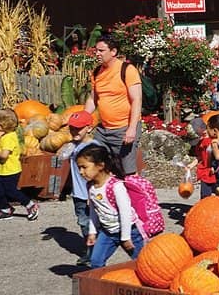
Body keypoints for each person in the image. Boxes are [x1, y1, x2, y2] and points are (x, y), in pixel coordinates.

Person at [76, 145, 144, 268]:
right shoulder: (90, 186)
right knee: (96, 262)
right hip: (107, 233)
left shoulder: (116, 186)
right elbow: (93, 210)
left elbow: (125, 213)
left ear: (100, 165)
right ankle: (102, 285)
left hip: (129, 231)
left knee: (143, 263)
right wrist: (92, 231)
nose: (81, 172)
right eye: (79, 168)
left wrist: (125, 237)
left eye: (84, 167)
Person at [85, 35, 142, 175]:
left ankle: (134, 195)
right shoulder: (97, 72)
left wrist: (132, 129)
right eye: (96, 50)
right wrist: (84, 119)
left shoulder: (127, 70)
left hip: (123, 129)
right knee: (96, 164)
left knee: (128, 172)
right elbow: (93, 99)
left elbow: (137, 100)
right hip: (103, 130)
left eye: (101, 50)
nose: (97, 54)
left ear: (113, 52)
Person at [0, 109, 39, 221]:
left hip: (11, 170)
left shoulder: (9, 138)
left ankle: (30, 205)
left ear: (4, 125)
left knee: (11, 191)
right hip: (3, 169)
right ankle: (6, 209)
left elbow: (5, 155)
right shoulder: (6, 136)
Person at [66, 110, 101, 266]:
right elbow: (60, 157)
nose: (74, 131)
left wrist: (91, 192)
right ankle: (92, 248)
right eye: (72, 128)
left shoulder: (93, 147)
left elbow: (98, 172)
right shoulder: (73, 146)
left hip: (89, 193)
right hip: (78, 193)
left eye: (78, 128)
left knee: (90, 223)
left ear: (89, 127)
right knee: (83, 222)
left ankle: (93, 252)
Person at [189, 117, 217, 198]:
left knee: (218, 192)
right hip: (205, 171)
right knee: (205, 194)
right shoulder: (200, 143)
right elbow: (200, 157)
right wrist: (191, 165)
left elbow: (217, 155)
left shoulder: (214, 140)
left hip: (214, 171)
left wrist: (214, 166)